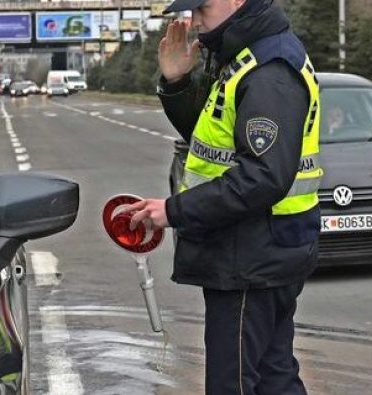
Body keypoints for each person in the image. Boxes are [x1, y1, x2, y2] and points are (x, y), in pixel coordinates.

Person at [126, 0, 322, 394]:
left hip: (251, 255)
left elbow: (264, 176)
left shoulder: (270, 70)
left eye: (203, 7)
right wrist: (178, 82)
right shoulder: (244, 57)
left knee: (232, 383)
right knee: (274, 377)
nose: (194, 20)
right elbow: (211, 139)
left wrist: (174, 210)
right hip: (259, 250)